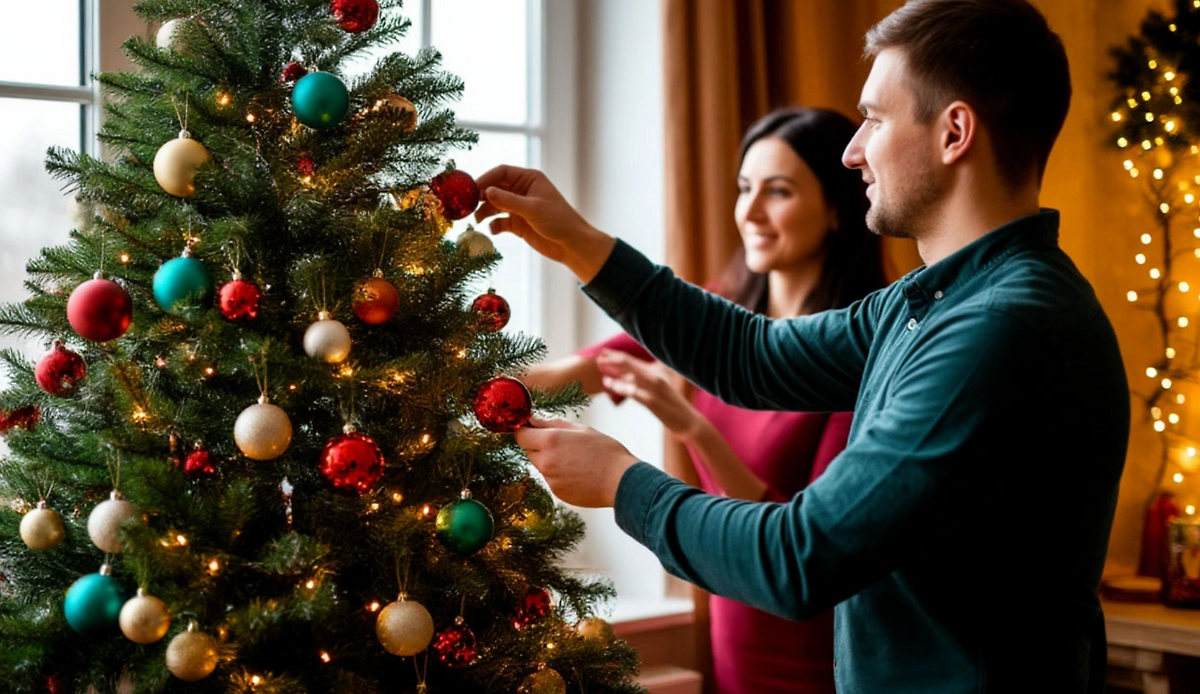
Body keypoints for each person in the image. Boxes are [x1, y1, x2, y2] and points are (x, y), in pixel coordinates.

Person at [476, 1, 1130, 692]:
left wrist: (620, 483)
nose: (854, 152)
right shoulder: (932, 301)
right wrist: (578, 242)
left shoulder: (1000, 327)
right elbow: (749, 354)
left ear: (955, 132)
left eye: (875, 120)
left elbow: (800, 556)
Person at [522, 107, 886, 694]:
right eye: (745, 189)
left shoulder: (855, 354)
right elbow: (572, 374)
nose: (751, 212)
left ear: (838, 207)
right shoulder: (714, 315)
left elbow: (797, 539)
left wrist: (689, 425)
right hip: (728, 624)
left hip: (808, 644)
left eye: (779, 191)